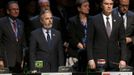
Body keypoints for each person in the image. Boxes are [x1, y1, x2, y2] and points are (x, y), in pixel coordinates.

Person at [87, 0, 127, 71]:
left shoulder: (119, 20)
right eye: (106, 4)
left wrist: (123, 59)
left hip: (115, 61)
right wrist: (90, 58)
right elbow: (89, 41)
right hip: (98, 61)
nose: (109, 6)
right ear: (101, 5)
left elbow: (122, 41)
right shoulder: (93, 20)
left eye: (111, 4)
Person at [0, 1, 26, 73]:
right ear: (8, 11)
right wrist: (0, 59)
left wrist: (23, 59)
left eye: (17, 9)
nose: (16, 11)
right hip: (6, 61)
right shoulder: (1, 23)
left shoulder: (21, 23)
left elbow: (23, 43)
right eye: (13, 9)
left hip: (18, 62)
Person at [67, 0, 92, 72]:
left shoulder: (92, 20)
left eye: (88, 6)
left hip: (89, 54)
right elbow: (71, 37)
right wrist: (80, 46)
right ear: (79, 8)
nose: (88, 8)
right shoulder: (72, 21)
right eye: (85, 6)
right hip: (76, 54)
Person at [112, 0, 134, 67]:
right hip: (113, 50)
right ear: (118, 4)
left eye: (127, 6)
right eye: (123, 5)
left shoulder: (132, 16)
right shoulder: (110, 13)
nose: (125, 8)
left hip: (128, 51)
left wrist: (131, 39)